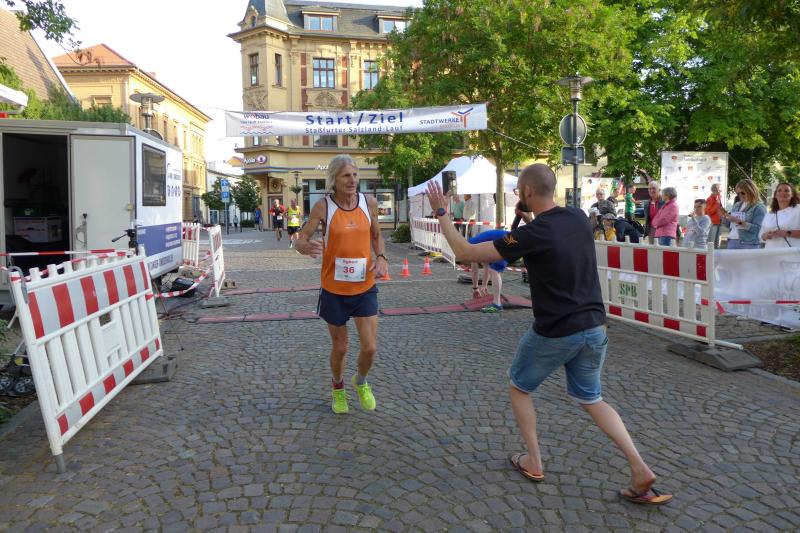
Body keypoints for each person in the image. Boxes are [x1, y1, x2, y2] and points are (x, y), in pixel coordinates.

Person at [426, 163, 672, 505]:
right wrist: (528, 219)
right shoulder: (578, 217)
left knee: (519, 386)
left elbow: (465, 252)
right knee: (592, 398)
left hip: (556, 330)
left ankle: (533, 460)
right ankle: (639, 467)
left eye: (519, 191)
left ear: (527, 192)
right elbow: (551, 235)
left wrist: (441, 214)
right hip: (594, 326)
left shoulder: (530, 235)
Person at [294, 155, 388, 414]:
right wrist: (303, 246)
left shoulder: (368, 203)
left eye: (355, 175)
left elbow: (377, 236)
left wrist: (381, 257)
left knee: (370, 347)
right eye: (346, 175)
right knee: (342, 346)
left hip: (364, 286)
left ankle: (361, 381)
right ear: (334, 179)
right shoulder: (323, 206)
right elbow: (301, 238)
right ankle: (338, 388)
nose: (352, 180)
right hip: (334, 289)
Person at [468, 229, 510, 313]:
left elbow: (474, 271)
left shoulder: (470, 248)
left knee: (494, 270)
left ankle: (497, 304)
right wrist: (484, 286)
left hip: (508, 241)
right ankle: (497, 303)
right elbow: (486, 268)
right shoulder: (478, 244)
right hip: (510, 239)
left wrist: (475, 288)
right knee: (493, 269)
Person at [722, 179, 766, 249]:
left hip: (748, 244)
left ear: (751, 191)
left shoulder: (759, 207)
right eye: (738, 193)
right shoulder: (737, 205)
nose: (740, 195)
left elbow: (758, 229)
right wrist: (724, 217)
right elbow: (729, 225)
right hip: (732, 241)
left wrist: (738, 222)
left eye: (742, 193)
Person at [759, 182, 800, 248]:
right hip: (770, 252)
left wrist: (787, 233)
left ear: (792, 194)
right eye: (779, 191)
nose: (783, 193)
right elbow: (761, 236)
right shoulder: (769, 214)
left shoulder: (798, 209)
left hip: (792, 252)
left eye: (786, 190)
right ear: (775, 195)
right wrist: (765, 236)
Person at [705, 183, 723, 248]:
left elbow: (719, 209)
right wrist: (717, 204)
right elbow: (709, 212)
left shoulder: (719, 197)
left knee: (717, 244)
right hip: (713, 223)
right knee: (711, 243)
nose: (721, 191)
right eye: (720, 189)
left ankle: (717, 254)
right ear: (716, 190)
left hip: (719, 222)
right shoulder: (709, 199)